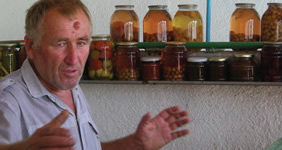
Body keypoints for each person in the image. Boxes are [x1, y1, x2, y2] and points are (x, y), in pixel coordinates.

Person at [0, 0, 191, 149]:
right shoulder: (8, 99)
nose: (74, 59)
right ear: (31, 46)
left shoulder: (70, 85)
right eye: (60, 44)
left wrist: (135, 144)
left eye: (81, 43)